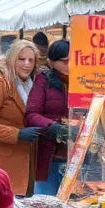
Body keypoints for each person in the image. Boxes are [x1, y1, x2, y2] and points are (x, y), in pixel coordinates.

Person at [0, 41, 42, 196]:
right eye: (21, 59)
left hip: (21, 163)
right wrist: (17, 134)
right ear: (11, 60)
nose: (27, 64)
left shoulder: (32, 86)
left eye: (31, 60)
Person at [25, 39, 71, 195]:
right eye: (65, 61)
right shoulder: (43, 80)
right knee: (47, 202)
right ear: (51, 62)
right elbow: (31, 114)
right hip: (50, 153)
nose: (70, 65)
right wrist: (53, 126)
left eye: (73, 60)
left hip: (77, 154)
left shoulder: (83, 80)